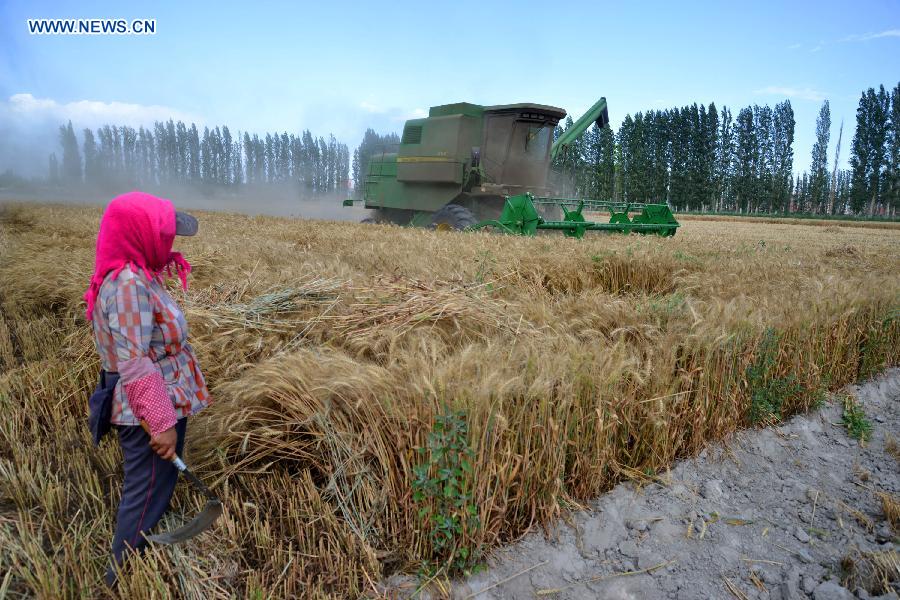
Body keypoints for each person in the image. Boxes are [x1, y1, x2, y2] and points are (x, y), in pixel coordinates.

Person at [84, 191, 211, 586]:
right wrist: (160, 422)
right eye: (164, 234)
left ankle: (138, 557)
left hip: (162, 395)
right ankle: (119, 578)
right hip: (148, 404)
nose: (170, 244)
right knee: (146, 488)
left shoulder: (139, 274)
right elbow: (135, 361)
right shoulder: (127, 284)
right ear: (137, 232)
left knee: (157, 482)